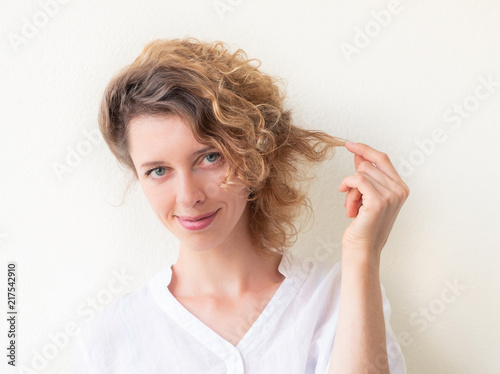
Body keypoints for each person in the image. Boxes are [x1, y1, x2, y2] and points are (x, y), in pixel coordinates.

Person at [74, 38, 409, 373]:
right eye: (158, 171)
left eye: (209, 157)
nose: (188, 196)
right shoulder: (111, 338)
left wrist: (363, 251)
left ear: (253, 156)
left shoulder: (340, 298)